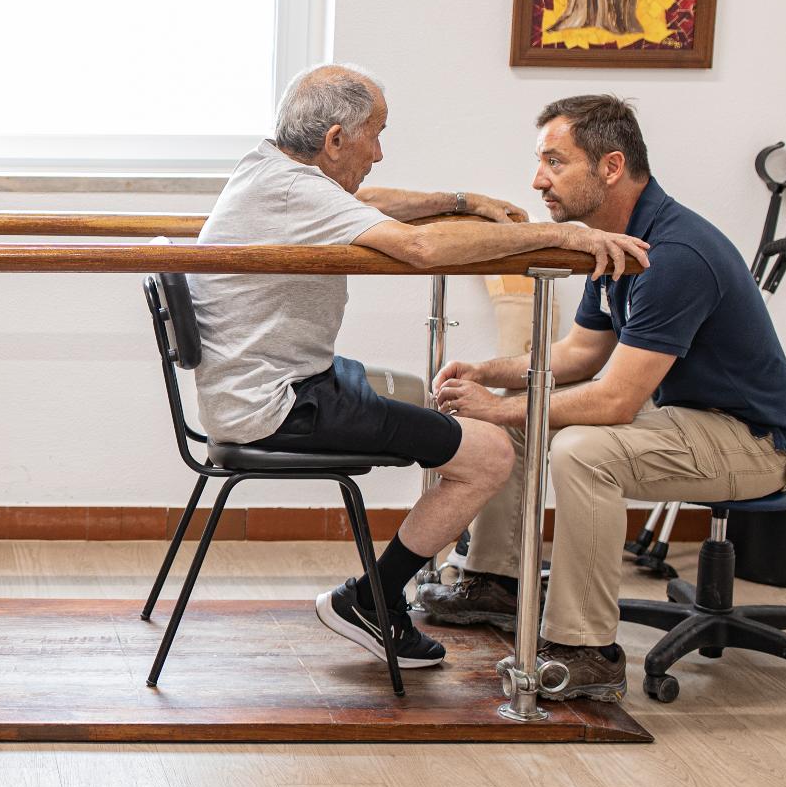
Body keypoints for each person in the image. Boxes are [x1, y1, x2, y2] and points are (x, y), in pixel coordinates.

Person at [188, 66, 649, 672]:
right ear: (334, 141)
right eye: (374, 136)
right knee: (489, 455)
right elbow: (424, 251)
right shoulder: (293, 191)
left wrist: (460, 202)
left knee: (427, 399)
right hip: (278, 405)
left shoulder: (270, 170)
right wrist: (558, 235)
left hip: (280, 384)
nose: (379, 153)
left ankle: (446, 578)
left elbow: (367, 202)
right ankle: (374, 599)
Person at [419, 94, 786, 702]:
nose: (537, 178)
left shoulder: (674, 255)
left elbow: (614, 403)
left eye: (555, 161)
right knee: (523, 418)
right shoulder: (615, 244)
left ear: (609, 166)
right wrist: (490, 370)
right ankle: (496, 582)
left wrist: (498, 405)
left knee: (582, 449)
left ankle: (587, 650)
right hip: (685, 420)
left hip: (755, 443)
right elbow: (578, 355)